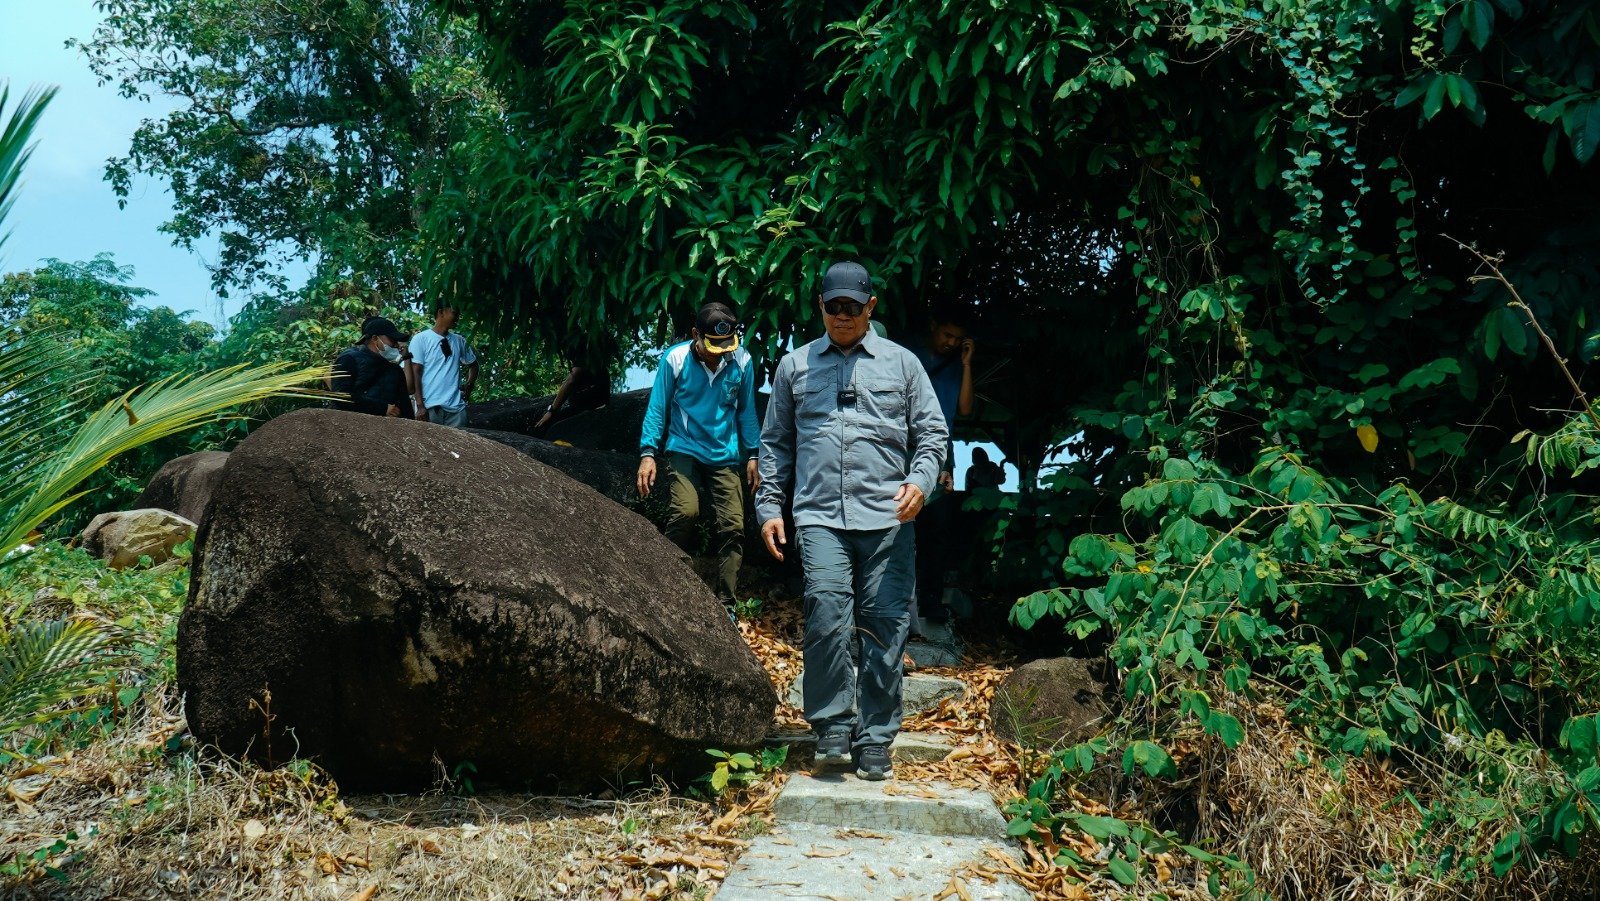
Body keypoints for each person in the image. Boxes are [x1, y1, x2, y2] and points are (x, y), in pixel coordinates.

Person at [757, 260, 947, 781]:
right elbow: (775, 443)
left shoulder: (903, 364)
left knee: (885, 625)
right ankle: (832, 727)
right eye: (833, 306)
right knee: (825, 612)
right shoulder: (794, 366)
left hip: (888, 517)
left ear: (870, 307)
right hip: (819, 515)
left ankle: (876, 737)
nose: (842, 315)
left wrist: (921, 483)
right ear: (821, 306)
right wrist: (769, 507)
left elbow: (932, 434)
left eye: (852, 307)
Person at [638, 303, 761, 601]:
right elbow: (658, 407)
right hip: (685, 447)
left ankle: (727, 601)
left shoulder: (742, 360)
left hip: (725, 454)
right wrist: (648, 453)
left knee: (733, 526)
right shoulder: (675, 359)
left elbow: (746, 411)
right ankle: (663, 583)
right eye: (713, 346)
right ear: (696, 334)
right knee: (686, 511)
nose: (720, 353)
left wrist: (754, 454)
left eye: (726, 345)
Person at [907, 305, 976, 624]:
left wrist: (966, 364)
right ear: (933, 325)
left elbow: (965, 409)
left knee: (936, 531)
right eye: (947, 335)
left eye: (957, 338)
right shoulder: (910, 356)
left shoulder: (956, 363)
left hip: (940, 456)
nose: (951, 342)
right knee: (901, 528)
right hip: (905, 451)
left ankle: (931, 602)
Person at [408, 304, 478, 427]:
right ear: (441, 312)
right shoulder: (421, 339)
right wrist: (420, 406)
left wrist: (469, 385)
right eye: (454, 313)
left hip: (456, 409)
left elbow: (473, 365)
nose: (457, 318)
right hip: (430, 407)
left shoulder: (459, 340)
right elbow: (415, 373)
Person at [330, 317, 410, 417]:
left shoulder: (395, 370)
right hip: (349, 423)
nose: (396, 345)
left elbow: (405, 408)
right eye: (392, 339)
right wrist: (382, 408)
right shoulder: (349, 359)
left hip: (385, 426)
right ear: (375, 339)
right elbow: (340, 396)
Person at [535, 335, 616, 432]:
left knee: (547, 425)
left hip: (593, 400)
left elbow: (571, 379)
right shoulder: (572, 344)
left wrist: (551, 411)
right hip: (591, 396)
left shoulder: (577, 343)